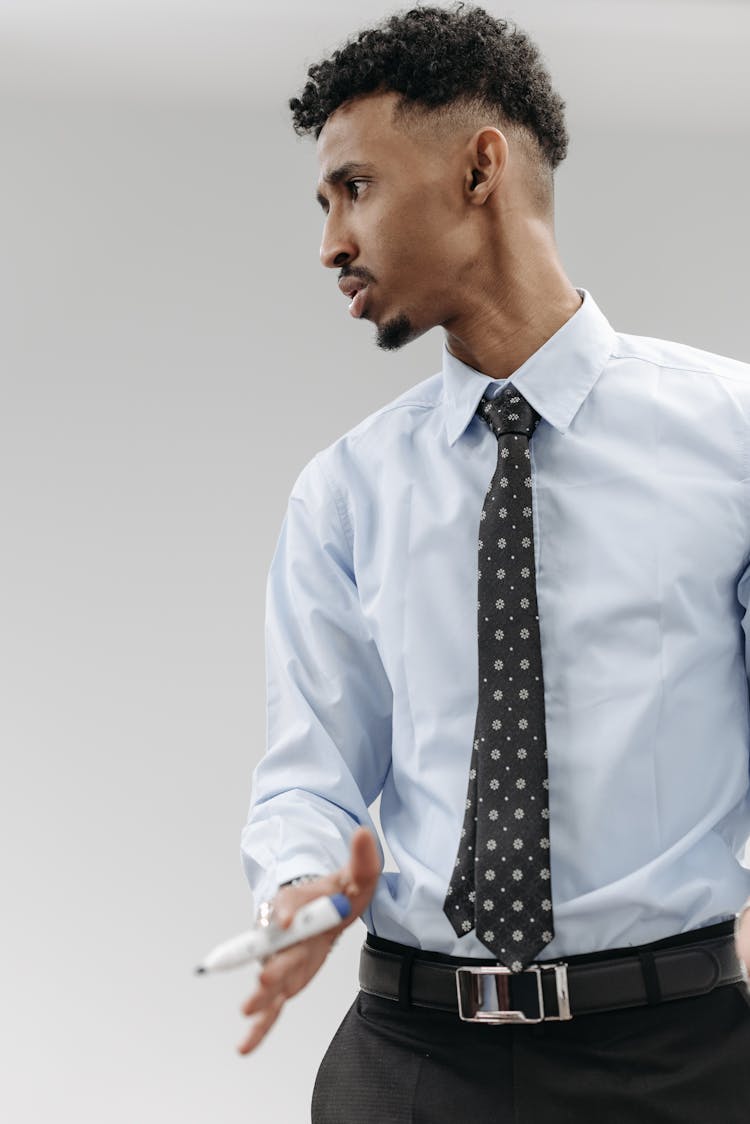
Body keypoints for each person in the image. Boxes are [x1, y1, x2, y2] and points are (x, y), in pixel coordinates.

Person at [238, 4, 750, 1119]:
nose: (330, 243)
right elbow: (308, 775)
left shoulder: (735, 437)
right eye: (324, 203)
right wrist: (299, 890)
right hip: (412, 1064)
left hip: (686, 1063)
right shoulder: (345, 493)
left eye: (354, 188)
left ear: (481, 168)